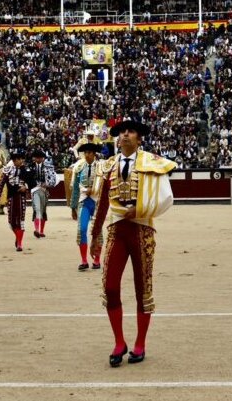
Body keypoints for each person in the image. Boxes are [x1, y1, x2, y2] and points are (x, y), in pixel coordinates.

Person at [89, 119, 176, 367]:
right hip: (117, 230)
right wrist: (95, 234)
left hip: (142, 230)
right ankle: (119, 342)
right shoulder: (107, 165)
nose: (125, 135)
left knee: (143, 289)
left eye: (130, 132)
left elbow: (166, 198)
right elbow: (102, 203)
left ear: (139, 139)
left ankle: (140, 343)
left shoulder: (152, 162)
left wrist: (137, 210)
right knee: (110, 287)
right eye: (121, 132)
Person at [69, 141, 104, 271]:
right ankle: (84, 260)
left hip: (97, 202)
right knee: (82, 229)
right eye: (85, 153)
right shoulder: (78, 167)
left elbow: (105, 187)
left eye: (89, 153)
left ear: (94, 154)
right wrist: (73, 207)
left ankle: (97, 259)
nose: (87, 155)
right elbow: (76, 190)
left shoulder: (102, 167)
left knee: (97, 231)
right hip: (84, 202)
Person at [0, 150, 33, 251]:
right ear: (15, 160)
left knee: (21, 220)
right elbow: (1, 182)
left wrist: (25, 187)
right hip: (11, 197)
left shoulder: (26, 170)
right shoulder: (7, 170)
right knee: (11, 222)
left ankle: (20, 243)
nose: (22, 161)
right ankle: (18, 237)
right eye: (20, 159)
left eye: (22, 159)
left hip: (21, 197)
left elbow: (32, 182)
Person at [29, 148, 58, 238]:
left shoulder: (49, 167)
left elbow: (53, 180)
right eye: (36, 157)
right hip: (35, 190)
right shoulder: (30, 167)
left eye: (40, 158)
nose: (38, 159)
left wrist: (48, 184)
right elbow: (27, 179)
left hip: (45, 191)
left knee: (43, 210)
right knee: (37, 209)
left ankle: (41, 230)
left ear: (43, 158)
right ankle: (37, 230)